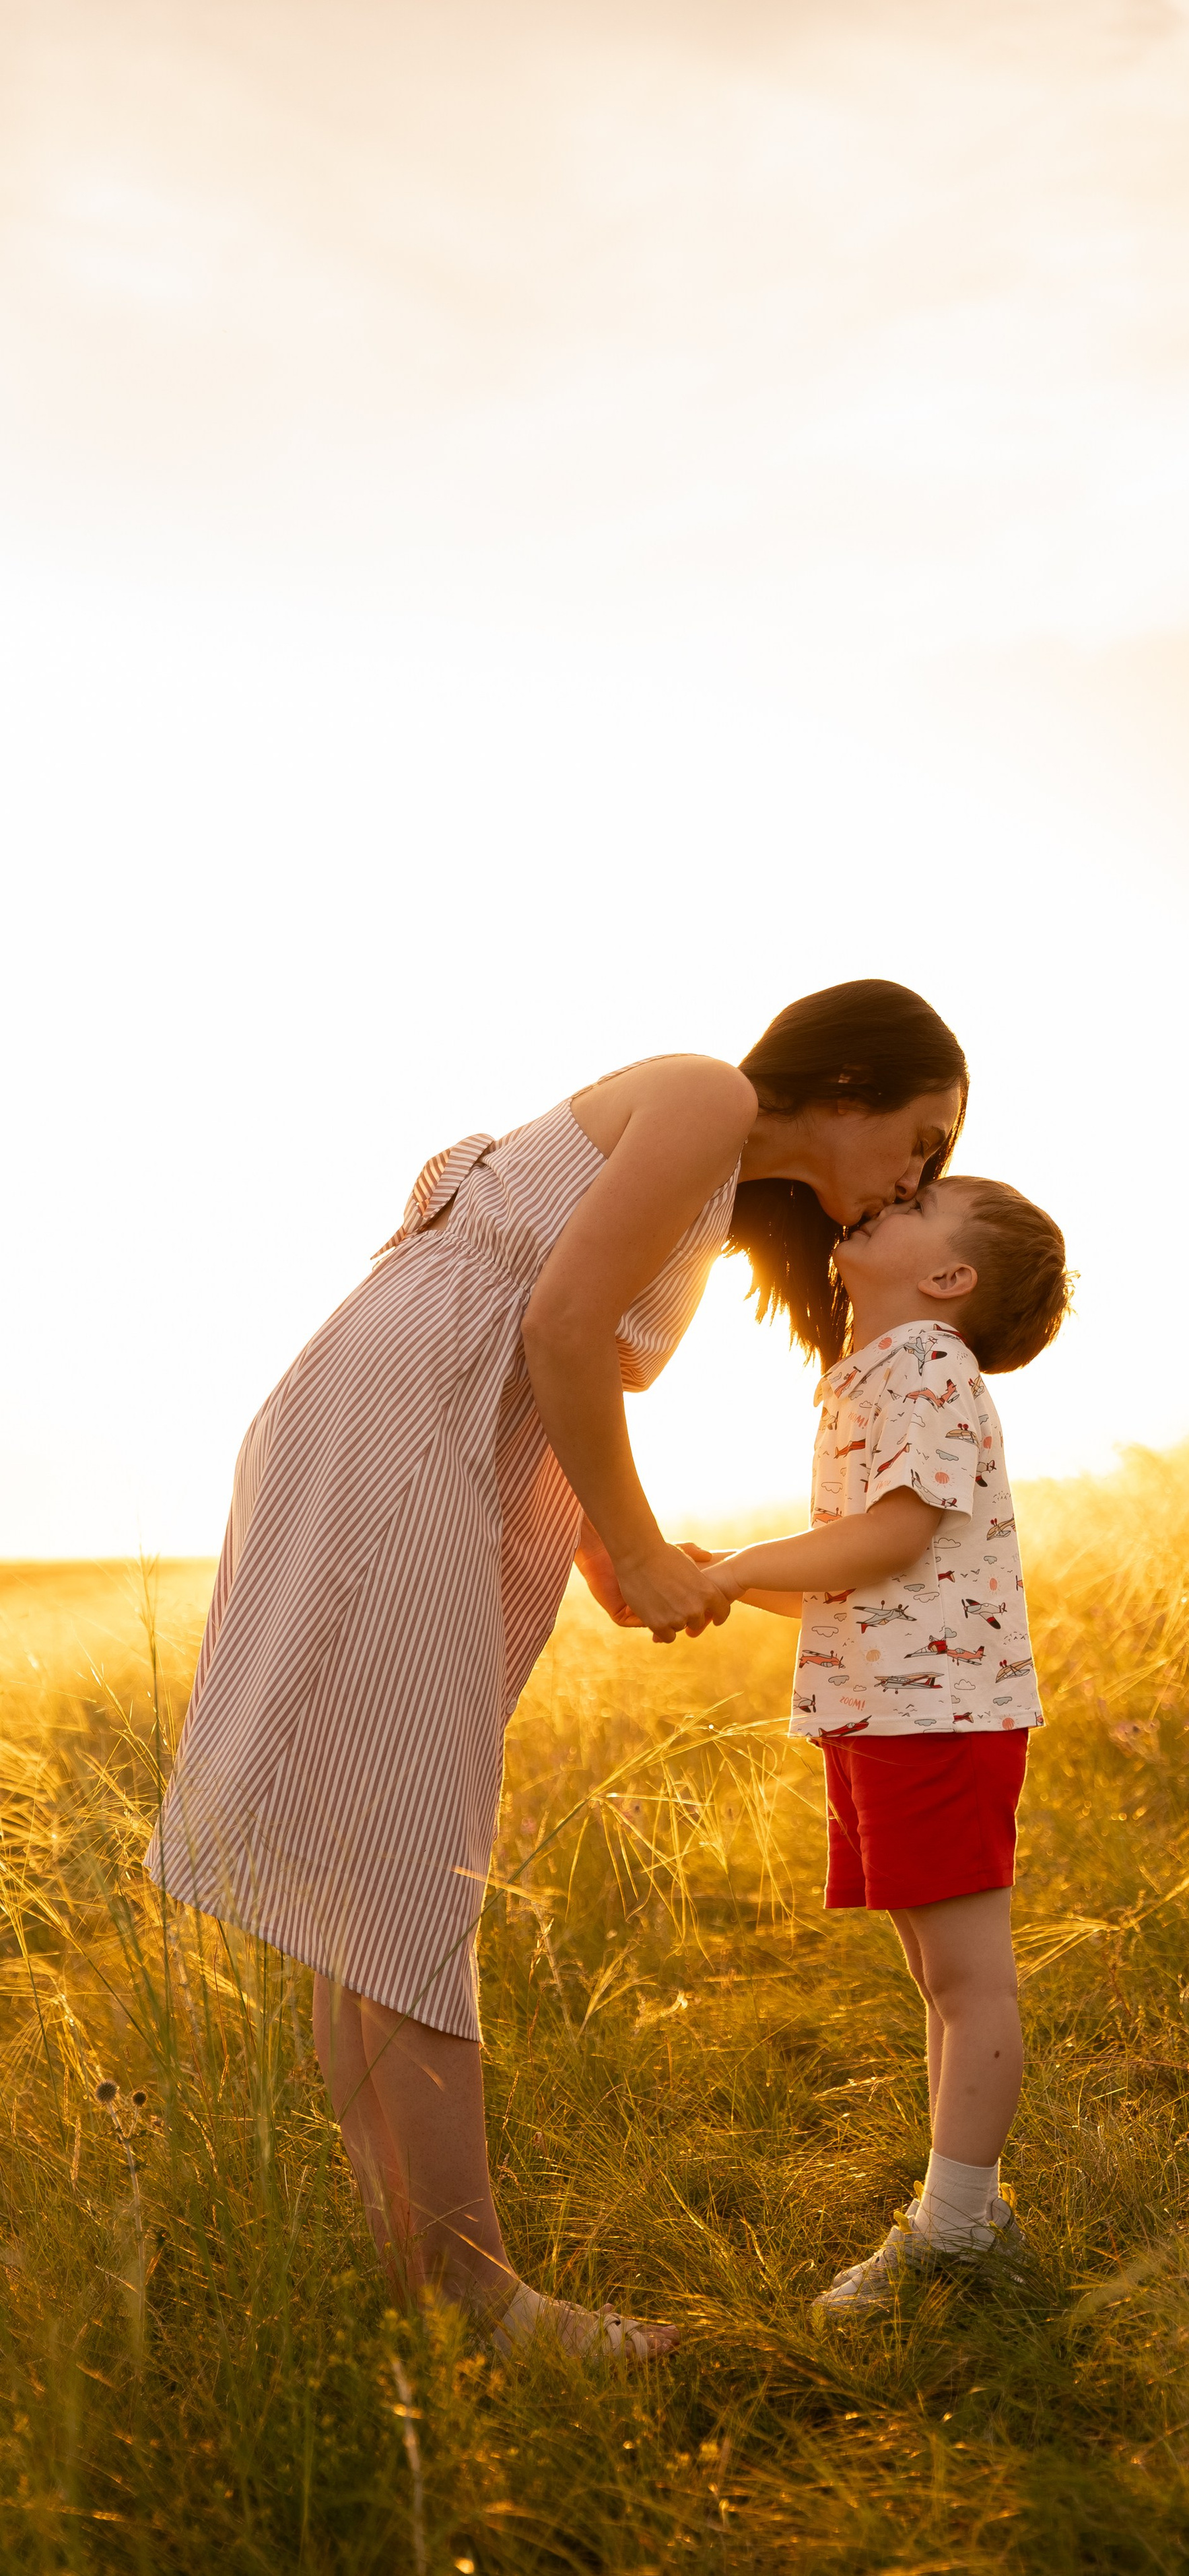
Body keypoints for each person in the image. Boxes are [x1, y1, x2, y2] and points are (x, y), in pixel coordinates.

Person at [145, 981, 967, 2358]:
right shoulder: (707, 1093)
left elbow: (549, 1342)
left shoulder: (710, 1191)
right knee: (409, 1845)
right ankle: (479, 2298)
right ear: (850, 1087)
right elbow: (557, 1328)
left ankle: (421, 2279)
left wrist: (602, 1549)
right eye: (922, 1138)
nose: (916, 1176)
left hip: (411, 1421)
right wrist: (641, 1549)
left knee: (375, 1848)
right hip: (406, 1429)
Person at [704, 1173, 1071, 2314]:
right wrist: (718, 1576)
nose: (889, 1196)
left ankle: (959, 2225)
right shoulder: (874, 1372)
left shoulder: (926, 1364)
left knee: (969, 1980)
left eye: (921, 1203)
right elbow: (856, 1575)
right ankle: (967, 2214)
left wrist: (732, 1566)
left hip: (939, 1713)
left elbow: (894, 1536)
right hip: (885, 1707)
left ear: (948, 1278)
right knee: (939, 1976)